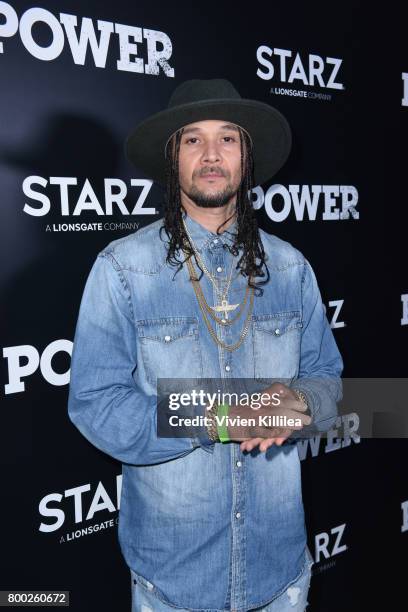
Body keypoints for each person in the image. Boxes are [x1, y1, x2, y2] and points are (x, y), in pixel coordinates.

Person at [68, 78, 343, 612]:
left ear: (247, 156)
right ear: (173, 160)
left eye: (228, 139)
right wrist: (216, 417)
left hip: (280, 576)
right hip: (173, 583)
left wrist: (304, 401)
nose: (211, 154)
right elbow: (96, 405)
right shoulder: (123, 269)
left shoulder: (290, 267)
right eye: (192, 140)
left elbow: (328, 378)